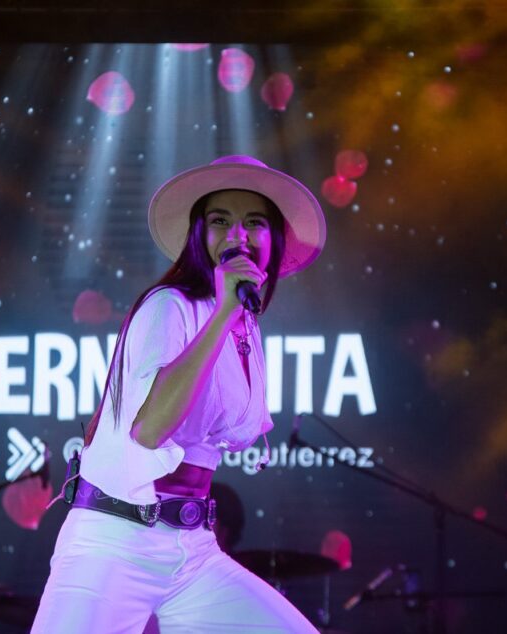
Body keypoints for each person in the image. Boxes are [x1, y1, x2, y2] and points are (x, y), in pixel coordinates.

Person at [31, 155, 326, 633]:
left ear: (273, 239)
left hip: (191, 552)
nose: (238, 235)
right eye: (220, 222)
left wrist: (230, 314)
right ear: (198, 235)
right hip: (114, 542)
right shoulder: (169, 306)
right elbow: (150, 431)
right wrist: (223, 314)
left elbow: (233, 433)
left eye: (255, 223)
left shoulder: (243, 324)